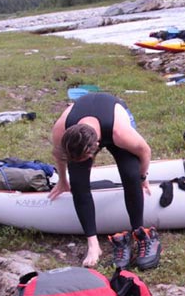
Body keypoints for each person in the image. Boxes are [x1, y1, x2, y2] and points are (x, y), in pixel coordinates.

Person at [48, 92, 160, 270]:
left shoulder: (120, 133)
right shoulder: (62, 130)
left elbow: (145, 150)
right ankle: (93, 245)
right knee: (78, 182)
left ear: (96, 148)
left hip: (112, 117)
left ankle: (139, 233)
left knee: (131, 175)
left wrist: (143, 177)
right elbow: (59, 155)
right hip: (85, 122)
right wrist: (63, 179)